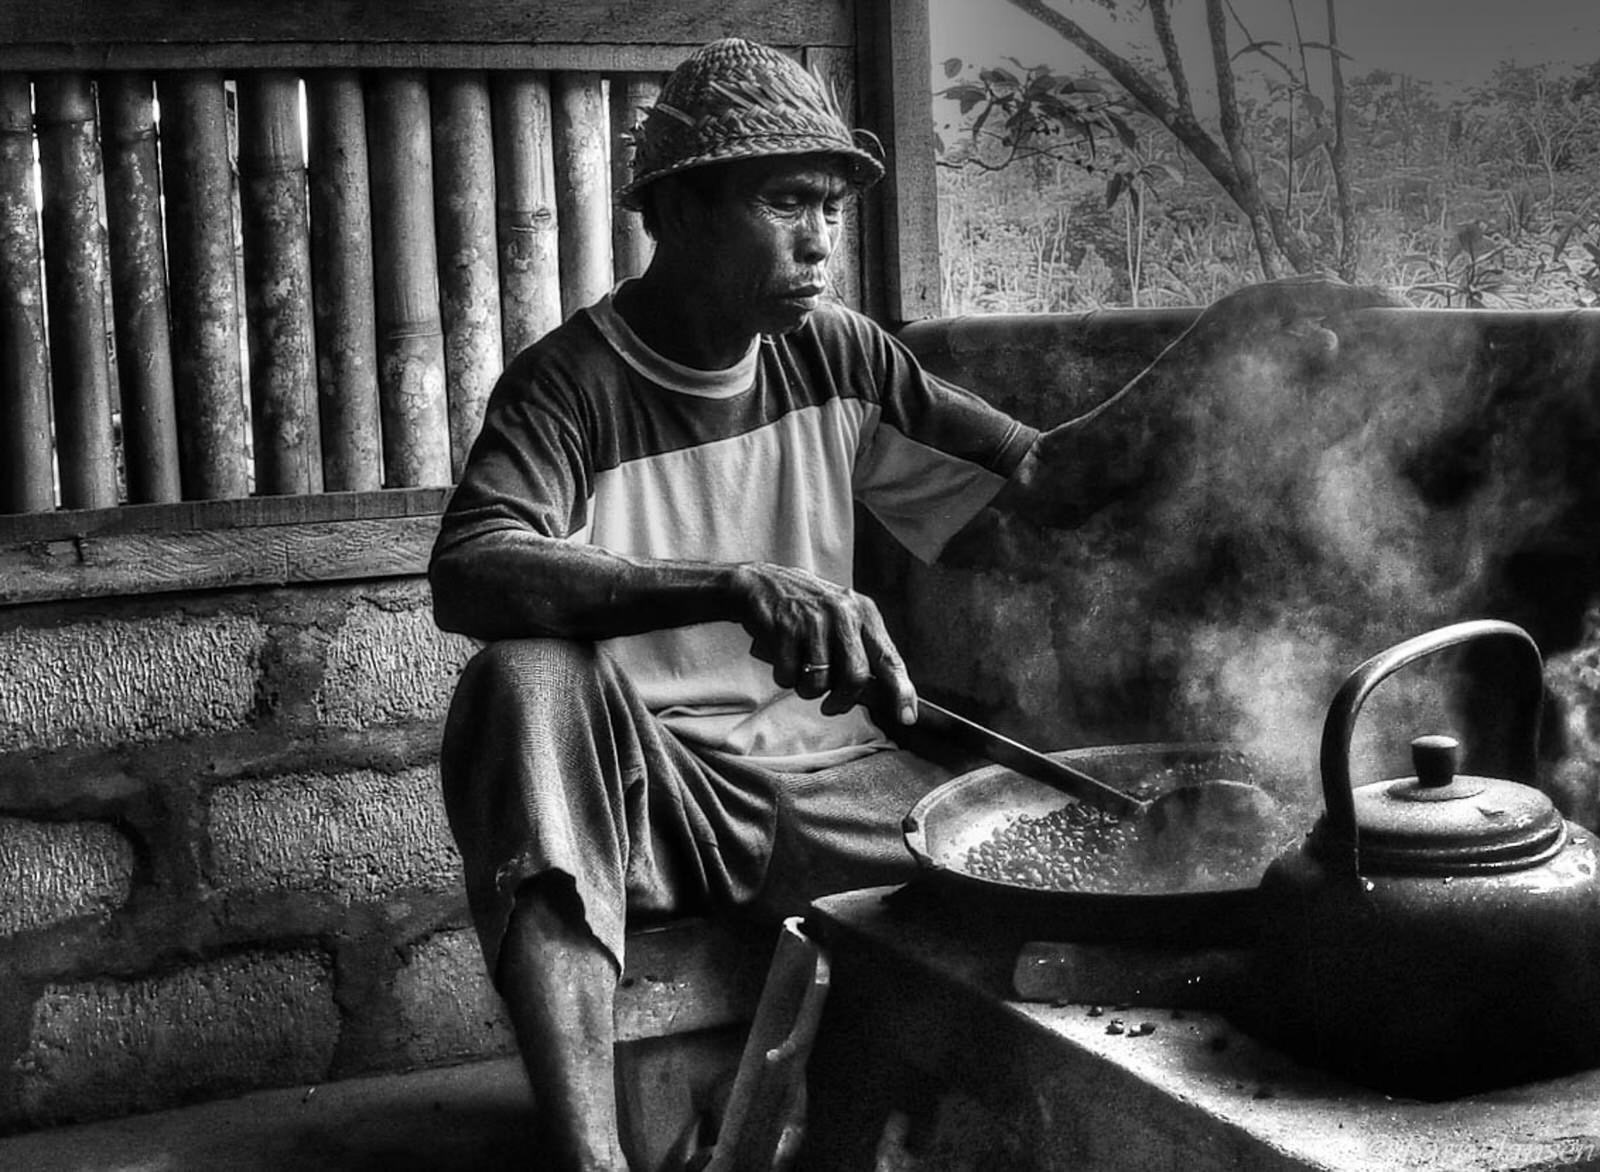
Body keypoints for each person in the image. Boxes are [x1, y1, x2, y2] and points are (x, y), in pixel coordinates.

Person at [430, 36, 1394, 1171]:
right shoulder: (568, 386)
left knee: (1059, 838)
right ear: (678, 210)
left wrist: (1212, 350)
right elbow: (472, 567)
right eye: (786, 202)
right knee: (519, 681)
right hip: (669, 800)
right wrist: (733, 584)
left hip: (844, 786)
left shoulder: (841, 355)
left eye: (831, 209)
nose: (819, 241)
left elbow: (1046, 486)